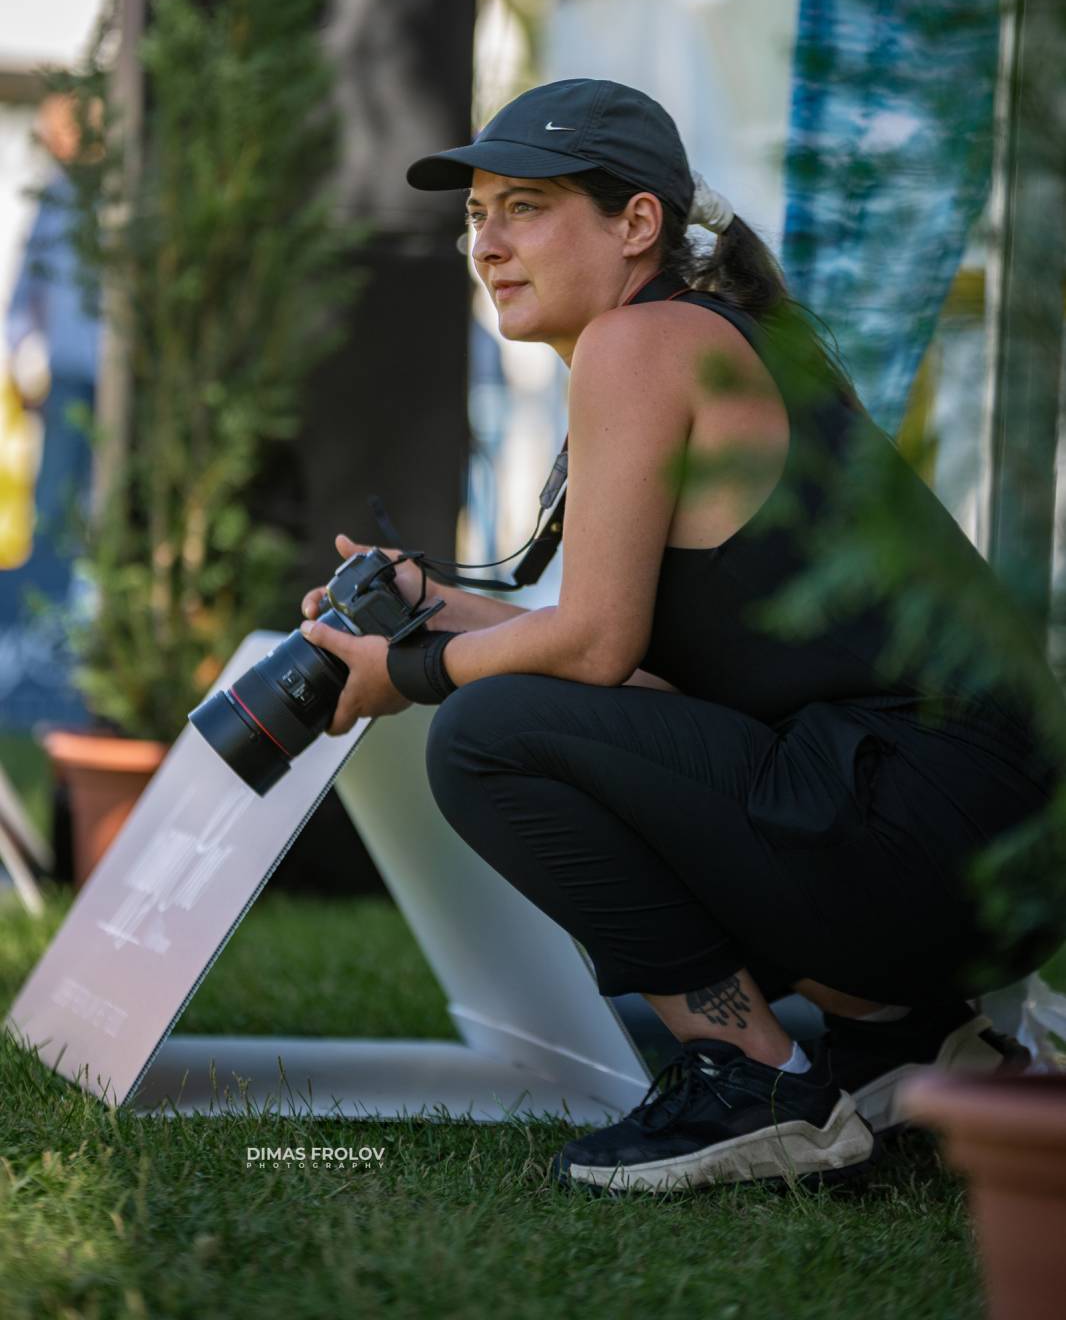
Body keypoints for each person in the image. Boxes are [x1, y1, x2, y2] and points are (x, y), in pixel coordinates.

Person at [298, 77, 1057, 1195]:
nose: (488, 245)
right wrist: (428, 603)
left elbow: (594, 650)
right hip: (985, 837)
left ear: (637, 223)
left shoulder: (641, 344)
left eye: (525, 208)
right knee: (533, 713)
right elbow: (631, 674)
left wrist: (411, 668)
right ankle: (904, 1038)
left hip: (932, 826)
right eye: (476, 215)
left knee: (483, 736)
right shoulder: (709, 335)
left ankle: (755, 1079)